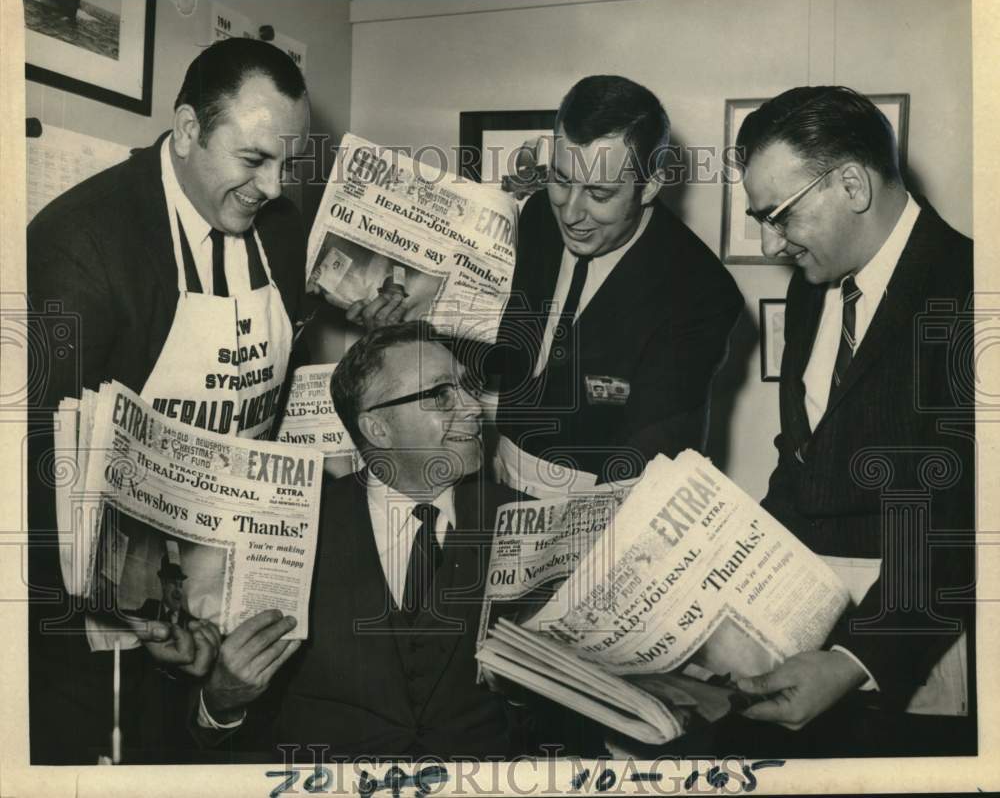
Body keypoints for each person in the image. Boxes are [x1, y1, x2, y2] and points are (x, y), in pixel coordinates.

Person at [27, 37, 312, 763]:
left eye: (287, 162)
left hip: (227, 584)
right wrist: (145, 612)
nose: (275, 188)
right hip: (101, 624)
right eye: (253, 161)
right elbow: (33, 466)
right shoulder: (80, 244)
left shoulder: (281, 234)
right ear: (186, 130)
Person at [346, 76, 744, 498]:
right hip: (496, 466)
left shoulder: (701, 291)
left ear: (650, 186)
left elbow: (651, 454)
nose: (571, 212)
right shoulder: (538, 214)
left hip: (599, 496)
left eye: (599, 193)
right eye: (561, 179)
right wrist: (407, 329)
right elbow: (502, 348)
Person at [729, 86, 975, 756]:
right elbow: (802, 463)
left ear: (852, 184)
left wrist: (851, 662)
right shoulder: (812, 288)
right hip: (803, 646)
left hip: (919, 675)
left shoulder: (974, 291)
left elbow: (968, 525)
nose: (771, 242)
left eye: (779, 214)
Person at [195, 322, 525, 760]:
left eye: (468, 387)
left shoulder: (523, 519)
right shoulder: (287, 530)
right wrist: (222, 702)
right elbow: (228, 749)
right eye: (442, 394)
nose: (472, 408)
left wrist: (529, 692)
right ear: (377, 428)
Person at [131, 554, 194, 629]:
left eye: (180, 585)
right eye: (173, 583)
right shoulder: (150, 608)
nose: (178, 590)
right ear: (163, 583)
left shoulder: (189, 620)